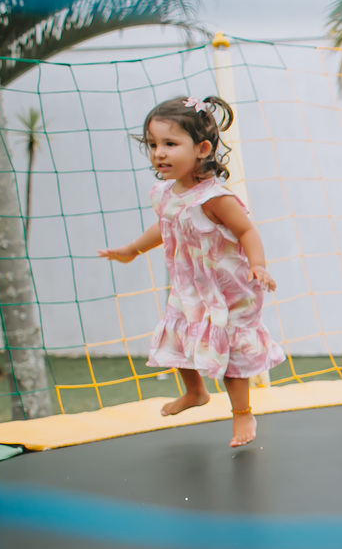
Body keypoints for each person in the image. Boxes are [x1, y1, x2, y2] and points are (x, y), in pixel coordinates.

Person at [99, 95, 285, 447]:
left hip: (229, 288)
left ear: (201, 148)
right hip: (190, 286)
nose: (159, 153)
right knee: (177, 335)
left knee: (229, 351)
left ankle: (242, 413)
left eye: (170, 144)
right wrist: (133, 249)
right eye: (153, 144)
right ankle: (195, 392)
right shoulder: (165, 192)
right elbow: (166, 225)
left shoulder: (215, 198)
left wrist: (258, 266)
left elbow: (247, 231)